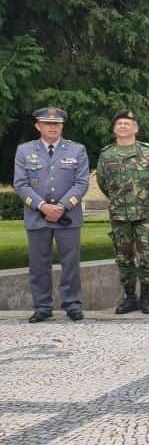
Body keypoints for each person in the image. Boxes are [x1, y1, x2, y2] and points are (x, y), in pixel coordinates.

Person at [13, 107, 89, 323]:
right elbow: (20, 184)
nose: (53, 127)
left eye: (57, 124)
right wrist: (42, 206)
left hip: (68, 216)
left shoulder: (77, 150)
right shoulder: (24, 151)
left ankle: (73, 304)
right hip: (37, 216)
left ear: (62, 126)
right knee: (38, 264)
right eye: (48, 123)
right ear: (38, 126)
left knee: (71, 263)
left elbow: (82, 183)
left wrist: (62, 206)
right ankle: (42, 306)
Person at [96, 109, 149, 315]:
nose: (123, 126)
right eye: (119, 124)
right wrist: (119, 199)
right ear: (114, 129)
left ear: (135, 128)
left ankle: (146, 298)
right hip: (119, 214)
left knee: (147, 256)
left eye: (127, 123)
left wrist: (147, 198)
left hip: (144, 213)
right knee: (123, 257)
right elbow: (102, 182)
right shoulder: (106, 154)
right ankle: (130, 298)